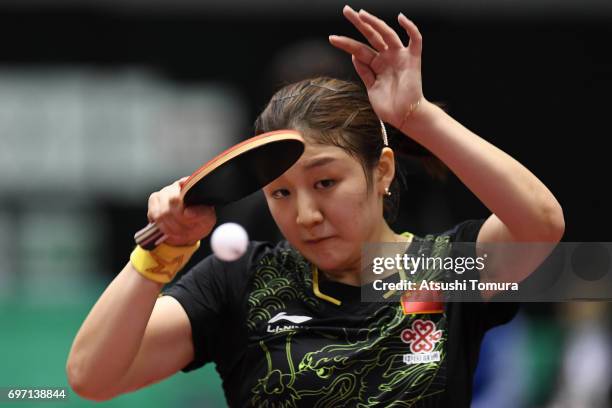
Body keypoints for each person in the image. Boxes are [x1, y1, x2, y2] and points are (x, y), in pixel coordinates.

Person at [66, 6, 564, 407]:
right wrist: (161, 254)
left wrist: (419, 116)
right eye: (281, 192)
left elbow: (540, 224)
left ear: (382, 171)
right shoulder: (237, 281)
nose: (305, 215)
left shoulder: (443, 269)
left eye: (325, 182)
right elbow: (92, 376)